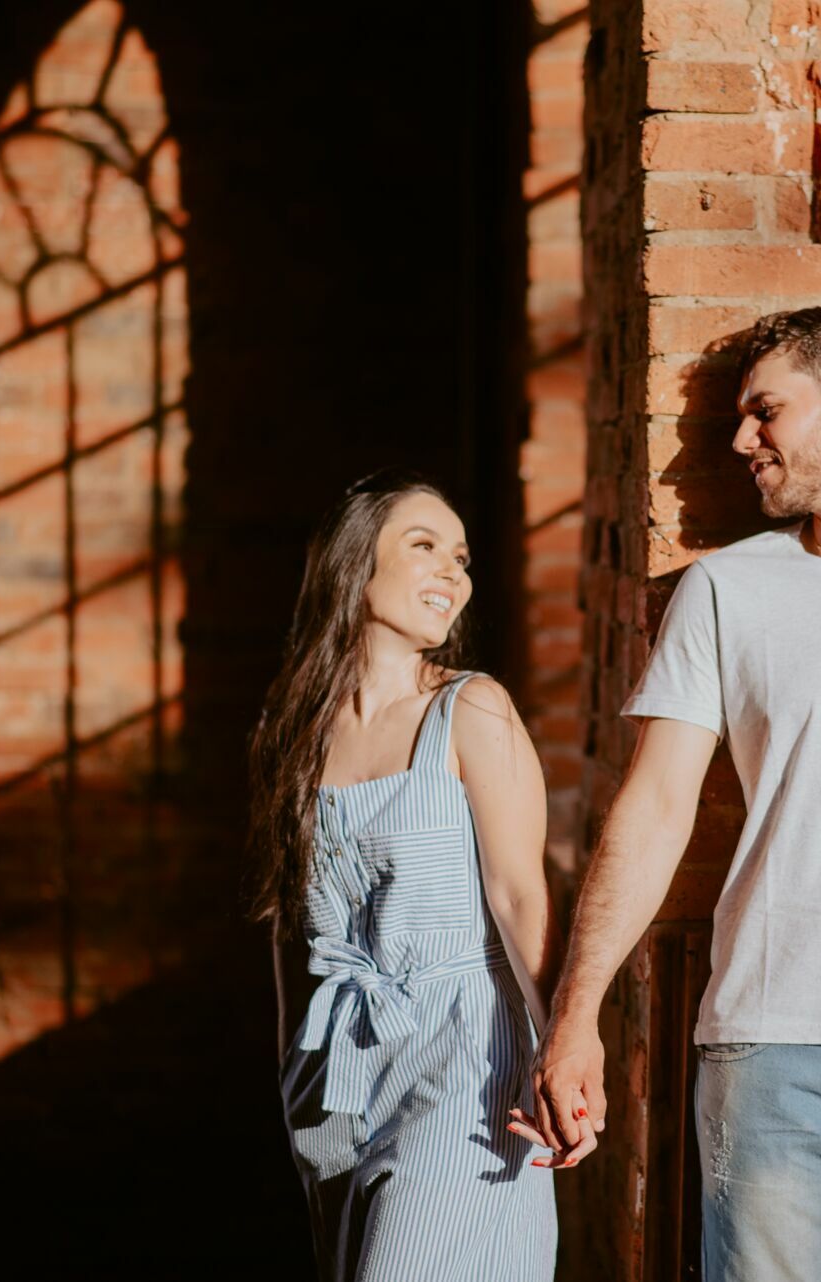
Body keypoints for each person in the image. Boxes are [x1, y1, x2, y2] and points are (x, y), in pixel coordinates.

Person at [516, 308, 821, 1280]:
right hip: (775, 1033)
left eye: (765, 412)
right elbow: (656, 806)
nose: (742, 441)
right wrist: (576, 1018)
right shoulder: (730, 590)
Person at [249, 474, 586, 1282]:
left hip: (466, 1061)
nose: (453, 574)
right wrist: (297, 1075)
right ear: (353, 563)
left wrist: (567, 1050)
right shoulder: (291, 733)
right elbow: (288, 925)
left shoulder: (472, 710)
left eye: (462, 557)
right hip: (340, 1069)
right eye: (424, 546)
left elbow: (519, 897)